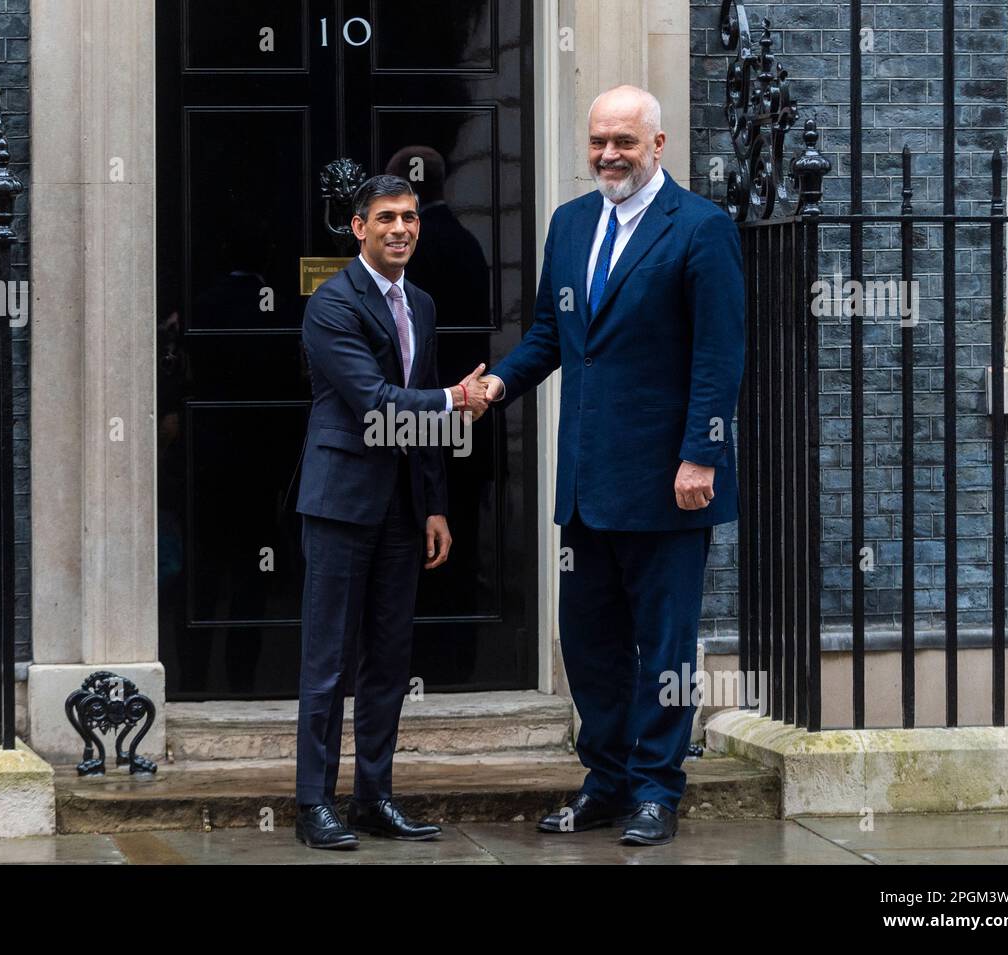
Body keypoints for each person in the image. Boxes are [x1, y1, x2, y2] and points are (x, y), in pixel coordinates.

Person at [481, 85, 745, 846]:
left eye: (624, 141)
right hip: (585, 485)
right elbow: (550, 334)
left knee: (663, 645)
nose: (608, 154)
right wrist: (498, 383)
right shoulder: (569, 225)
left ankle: (658, 787)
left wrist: (702, 454)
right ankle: (606, 779)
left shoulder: (701, 228)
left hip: (670, 482)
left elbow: (719, 356)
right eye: (599, 140)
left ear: (657, 146)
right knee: (590, 642)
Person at [294, 174, 490, 849]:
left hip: (403, 512)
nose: (401, 228)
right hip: (342, 504)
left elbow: (418, 425)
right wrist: (452, 401)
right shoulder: (331, 304)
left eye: (409, 216)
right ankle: (312, 803)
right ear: (359, 227)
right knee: (328, 662)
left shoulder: (425, 305)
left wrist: (435, 504)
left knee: (387, 659)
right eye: (386, 218)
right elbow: (376, 403)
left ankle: (373, 797)